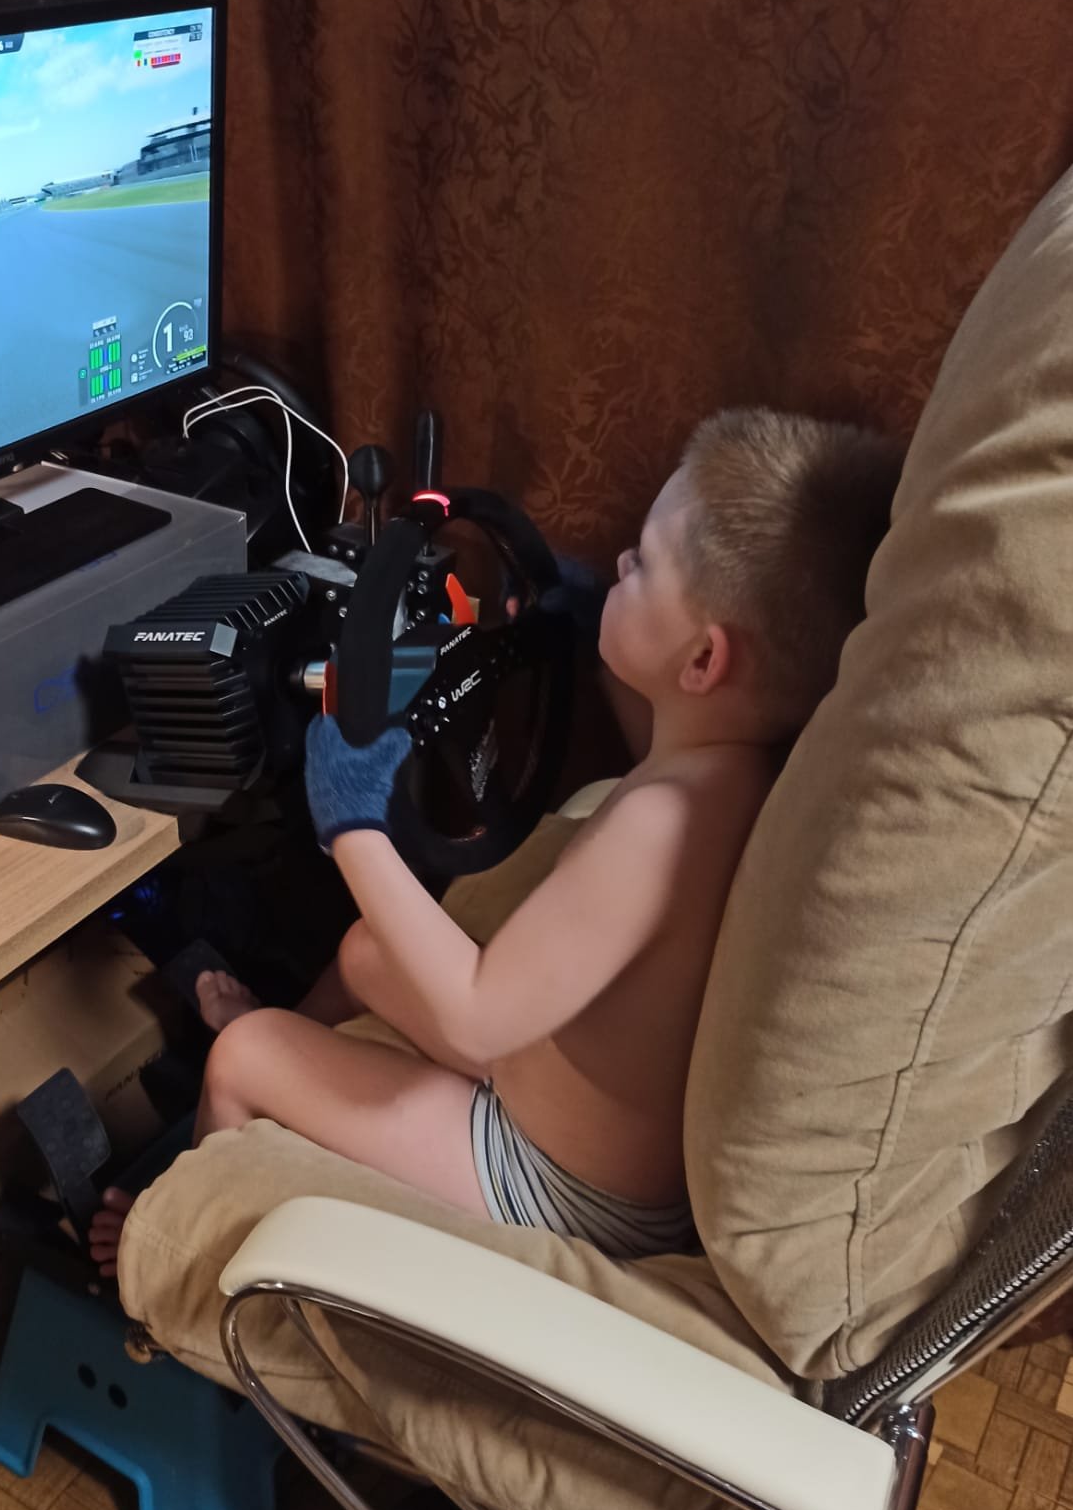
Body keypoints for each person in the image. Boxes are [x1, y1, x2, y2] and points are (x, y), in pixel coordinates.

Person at [91, 409, 904, 1275]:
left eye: (643, 563)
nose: (620, 562)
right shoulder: (735, 768)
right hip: (581, 1110)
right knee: (366, 954)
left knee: (241, 1055)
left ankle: (175, 1236)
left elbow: (474, 1014)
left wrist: (350, 818)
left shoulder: (659, 829)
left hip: (553, 1183)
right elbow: (657, 743)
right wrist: (574, 624)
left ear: (703, 661)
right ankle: (296, 1063)